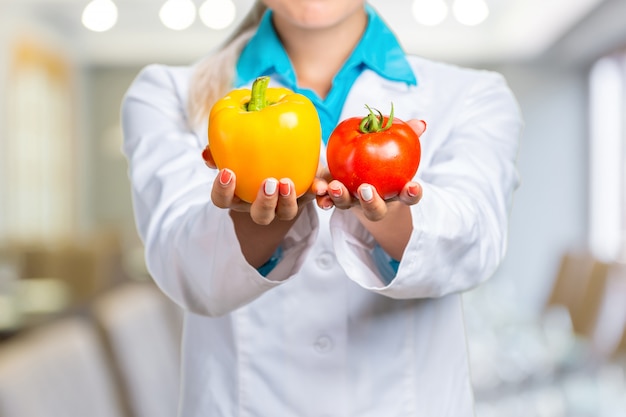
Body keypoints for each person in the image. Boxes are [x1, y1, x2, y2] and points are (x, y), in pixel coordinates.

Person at [121, 0, 522, 416]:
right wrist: (258, 221)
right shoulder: (166, 95)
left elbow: (475, 247)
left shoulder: (474, 95)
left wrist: (392, 211)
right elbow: (184, 271)